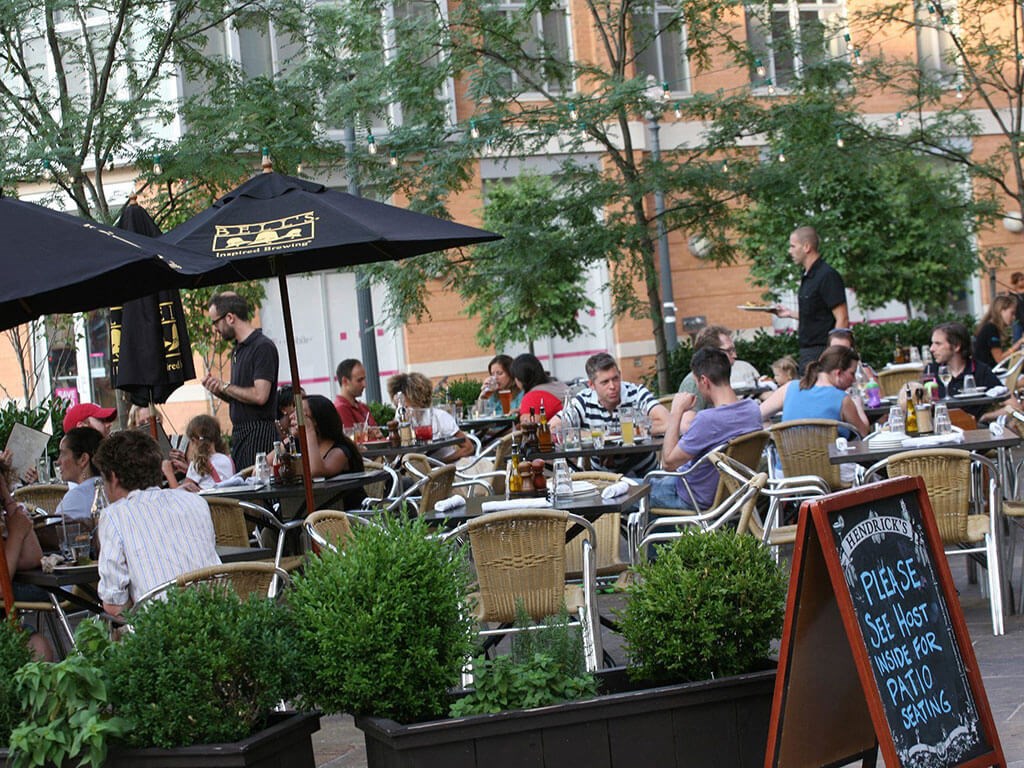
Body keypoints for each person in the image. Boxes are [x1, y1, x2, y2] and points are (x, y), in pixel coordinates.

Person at [94, 430, 220, 617]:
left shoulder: (114, 515)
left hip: (161, 627)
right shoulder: (196, 501)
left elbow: (114, 604)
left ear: (113, 477)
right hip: (217, 615)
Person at [650, 348, 764, 511]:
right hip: (736, 495)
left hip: (694, 497)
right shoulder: (753, 410)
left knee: (626, 493)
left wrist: (676, 411)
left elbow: (668, 463)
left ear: (704, 380)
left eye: (696, 382)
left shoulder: (707, 420)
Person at [553, 353, 669, 478]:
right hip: (604, 479)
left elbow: (667, 422)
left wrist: (626, 433)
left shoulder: (636, 393)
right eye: (605, 382)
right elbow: (553, 428)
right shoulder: (583, 401)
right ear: (591, 385)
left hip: (645, 476)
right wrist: (602, 435)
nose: (612, 386)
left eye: (615, 379)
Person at [202, 292, 279, 471]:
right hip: (241, 434)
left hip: (258, 433)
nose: (215, 329)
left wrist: (225, 386)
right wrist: (218, 389)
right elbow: (241, 397)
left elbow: (260, 396)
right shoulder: (238, 350)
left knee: (255, 485)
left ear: (230, 318)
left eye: (215, 322)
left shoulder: (262, 346)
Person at [773, 226, 849, 371]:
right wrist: (789, 313)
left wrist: (833, 355)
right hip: (807, 353)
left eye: (793, 246)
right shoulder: (807, 277)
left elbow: (843, 318)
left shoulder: (827, 275)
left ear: (806, 247)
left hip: (823, 352)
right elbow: (817, 316)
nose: (789, 251)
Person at [1, 461, 54, 660]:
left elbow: (31, 558)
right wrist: (16, 534)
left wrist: (10, 504)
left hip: (6, 624)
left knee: (39, 647)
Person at [760, 345, 869, 438]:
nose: (854, 380)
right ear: (838, 373)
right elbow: (864, 433)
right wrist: (858, 406)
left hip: (787, 456)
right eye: (852, 373)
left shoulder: (790, 388)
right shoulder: (843, 399)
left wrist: (774, 435)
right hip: (830, 457)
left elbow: (757, 415)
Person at [295, 395, 366, 510]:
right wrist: (288, 438)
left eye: (301, 414)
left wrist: (309, 430)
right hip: (317, 509)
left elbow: (316, 471)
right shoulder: (300, 445)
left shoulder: (340, 450)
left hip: (348, 513)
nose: (294, 417)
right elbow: (266, 463)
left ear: (316, 420)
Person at [386, 373, 474, 463]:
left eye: (402, 398)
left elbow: (468, 448)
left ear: (416, 398)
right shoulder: (402, 418)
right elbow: (392, 454)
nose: (400, 403)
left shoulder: (439, 417)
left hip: (446, 467)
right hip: (418, 469)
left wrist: (440, 462)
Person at [924, 322, 1001, 419]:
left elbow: (1012, 406)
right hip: (941, 426)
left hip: (975, 427)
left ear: (956, 346)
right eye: (932, 343)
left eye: (938, 344)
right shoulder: (931, 371)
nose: (931, 349)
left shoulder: (980, 370)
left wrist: (985, 417)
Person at [161, 415, 235, 492]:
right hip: (226, 499)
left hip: (208, 500)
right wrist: (187, 469)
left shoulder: (197, 463)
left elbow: (179, 493)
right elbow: (208, 476)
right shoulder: (227, 459)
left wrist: (168, 472)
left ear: (194, 441)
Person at [54, 427, 105, 522]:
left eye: (63, 454)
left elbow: (51, 528)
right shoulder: (110, 489)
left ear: (83, 459)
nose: (58, 461)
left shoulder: (77, 497)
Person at [511, 353, 570, 420]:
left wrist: (523, 415)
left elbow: (529, 424)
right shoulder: (559, 385)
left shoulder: (532, 398)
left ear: (520, 378)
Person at [974, 295, 1023, 369]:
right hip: (988, 373)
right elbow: (1000, 359)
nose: (1014, 317)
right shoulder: (991, 329)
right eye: (1012, 313)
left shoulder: (990, 327)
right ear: (1001, 311)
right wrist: (1018, 344)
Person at [334, 359, 378, 429]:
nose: (364, 384)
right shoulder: (341, 409)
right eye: (359, 380)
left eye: (364, 379)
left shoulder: (363, 407)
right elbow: (350, 435)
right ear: (345, 381)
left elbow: (377, 432)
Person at [1011, 272, 1024, 343]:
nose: (1023, 281)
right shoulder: (1011, 294)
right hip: (1017, 320)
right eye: (1021, 279)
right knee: (1017, 340)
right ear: (1015, 281)